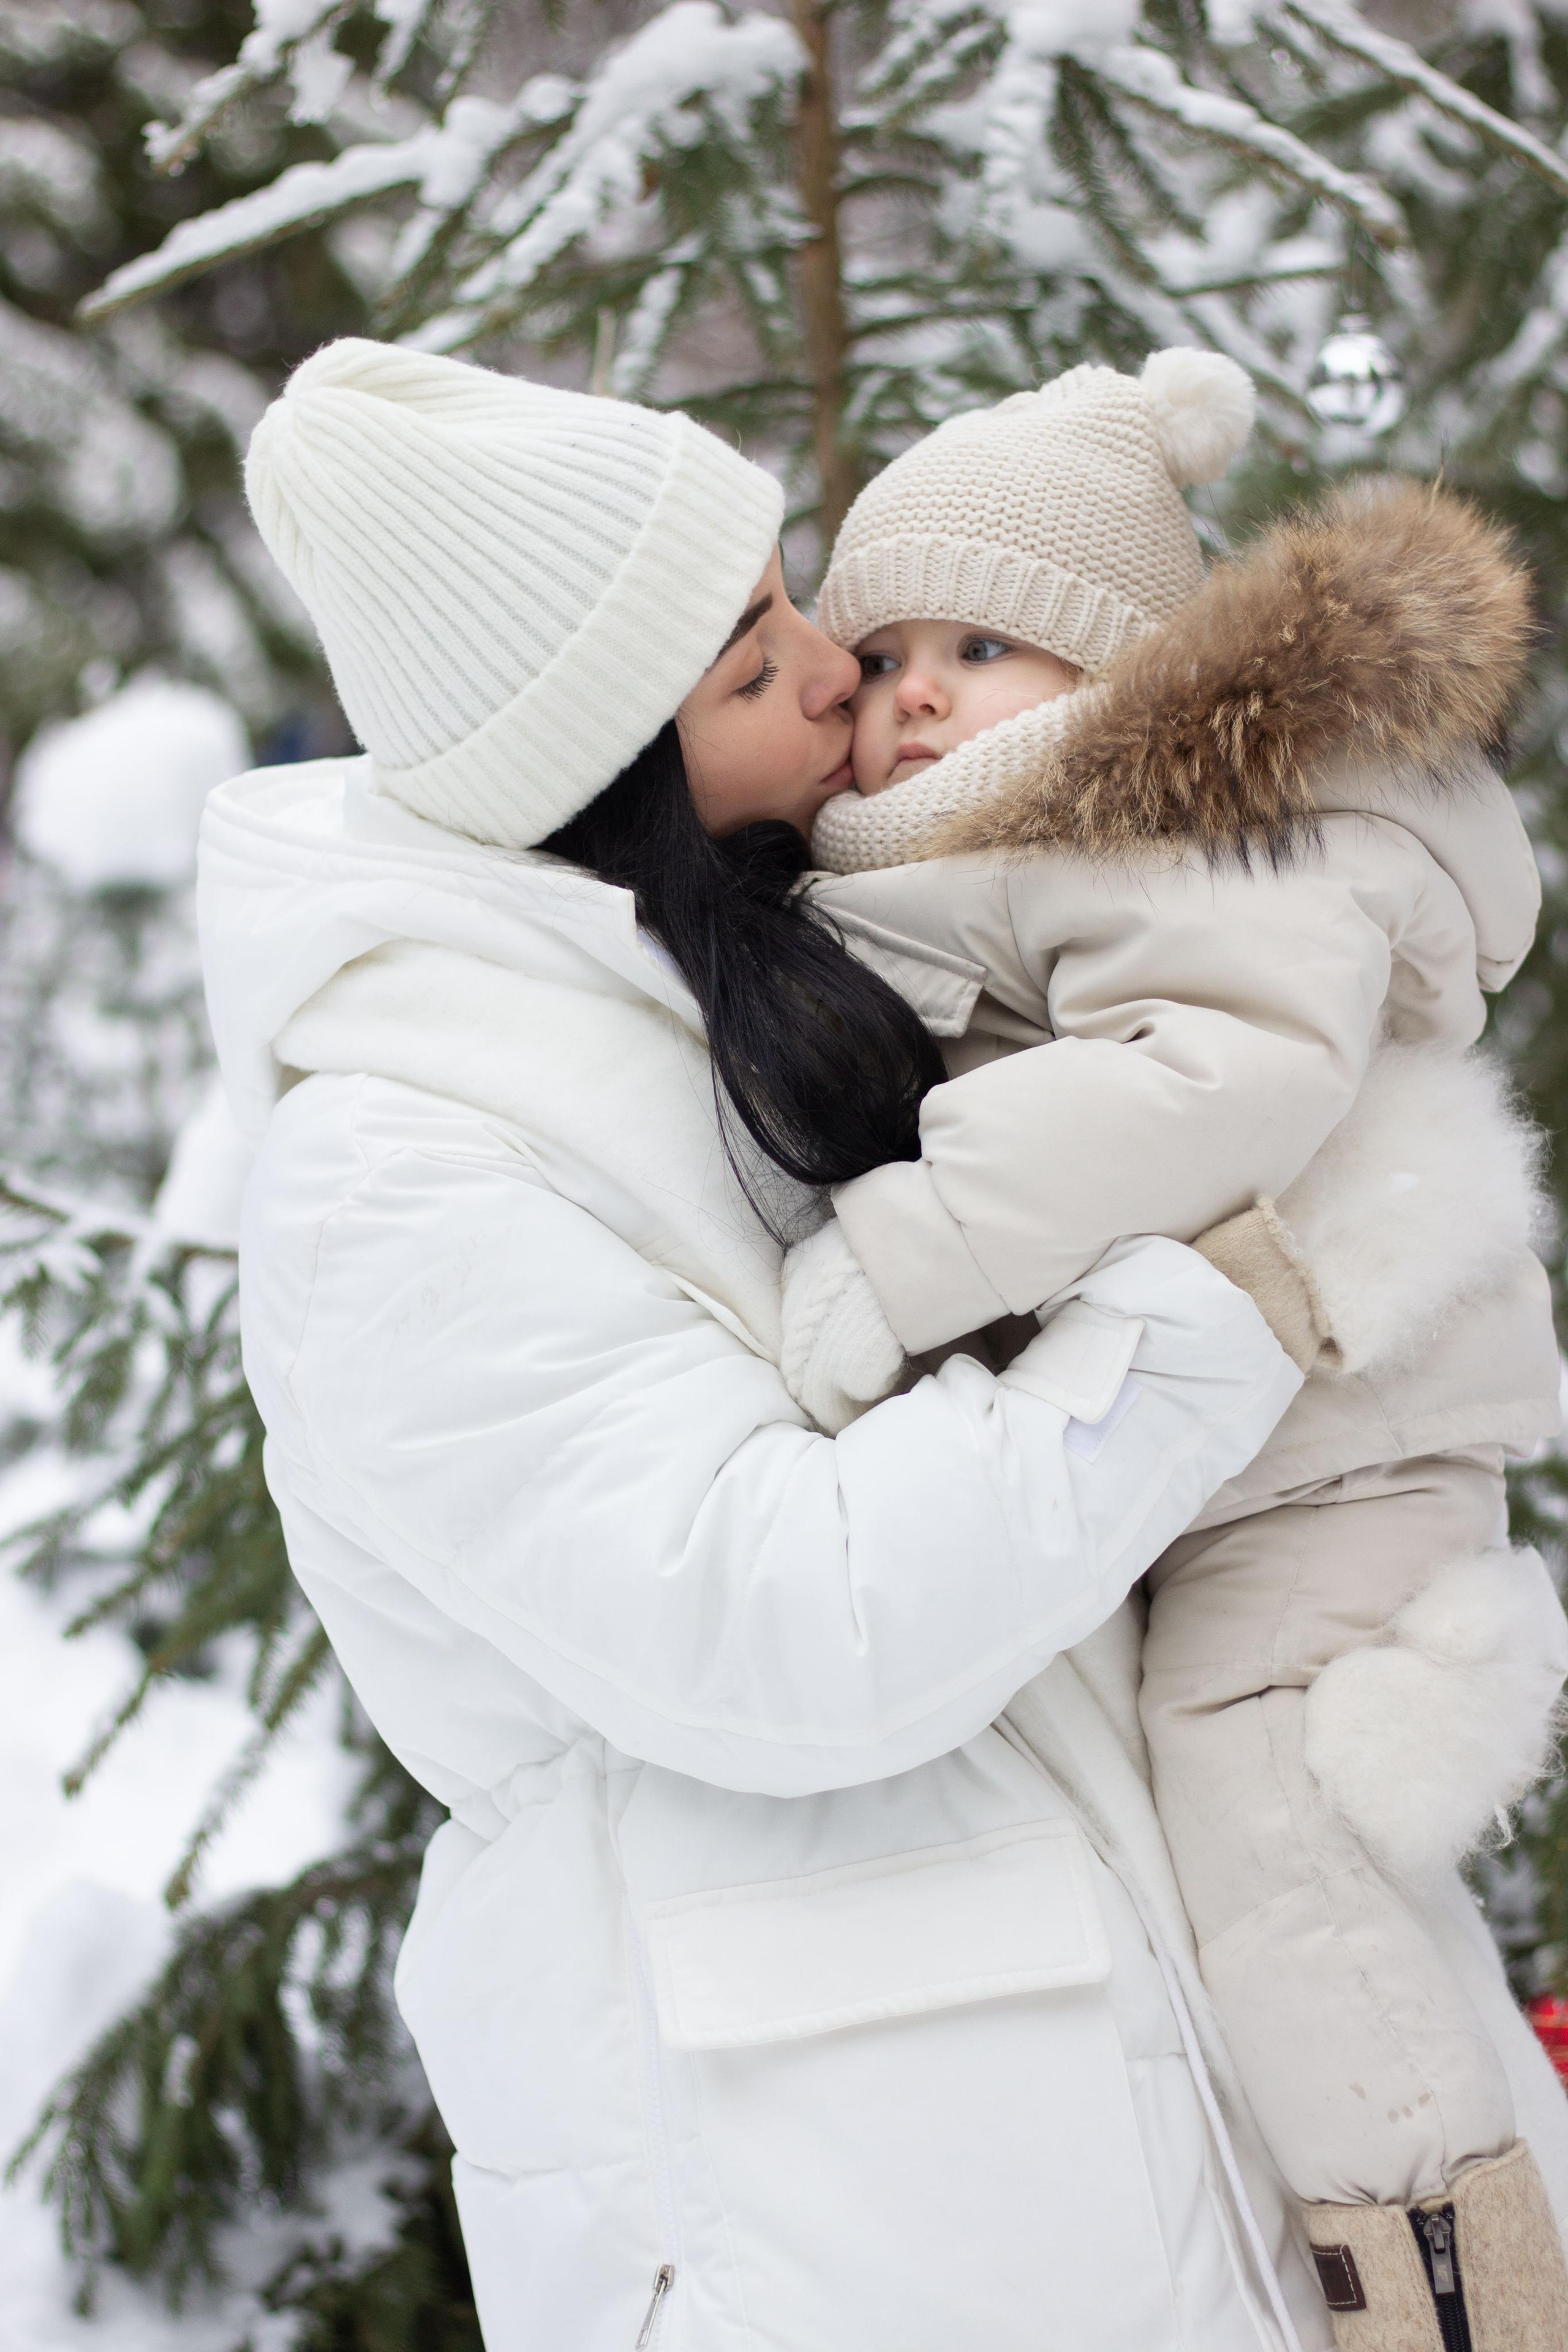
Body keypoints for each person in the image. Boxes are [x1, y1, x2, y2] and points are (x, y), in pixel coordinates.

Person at [205, 336, 1344, 2351]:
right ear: (599, 778)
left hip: (1027, 2109)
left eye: (787, 592)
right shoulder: (398, 1175)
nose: (839, 671)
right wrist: (1199, 1308)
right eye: (751, 664)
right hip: (826, 2207)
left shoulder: (748, 968)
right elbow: (783, 1626)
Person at [788, 347, 1568, 2345]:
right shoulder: (1037, 839)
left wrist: (896, 1255)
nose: (915, 697)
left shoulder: (1194, 831)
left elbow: (1208, 1087)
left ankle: (1454, 2284)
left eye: (981, 641)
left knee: (1265, 1819)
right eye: (877, 657)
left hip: (1350, 1432)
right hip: (1283, 1432)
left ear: (1125, 660)